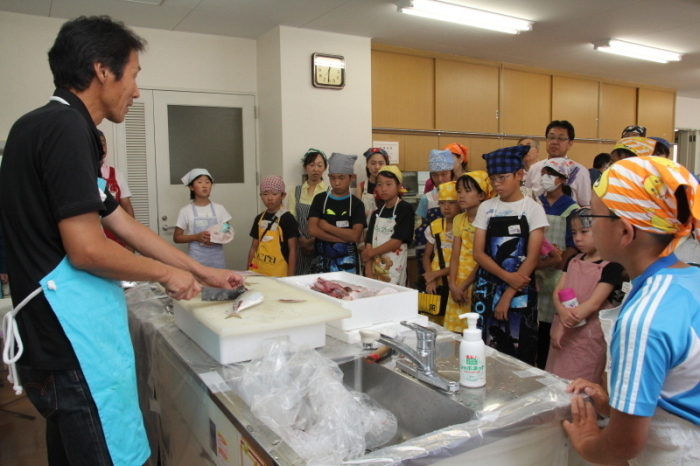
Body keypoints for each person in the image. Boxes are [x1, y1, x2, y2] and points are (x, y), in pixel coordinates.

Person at [0, 16, 243, 465]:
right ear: (102, 70)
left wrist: (200, 270)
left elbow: (122, 224)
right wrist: (167, 274)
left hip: (47, 345)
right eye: (133, 75)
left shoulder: (36, 126)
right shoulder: (66, 130)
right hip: (72, 344)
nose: (135, 90)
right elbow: (88, 248)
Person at [563, 156, 700, 464]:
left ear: (624, 232)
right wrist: (612, 403)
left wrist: (587, 444)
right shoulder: (691, 279)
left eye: (594, 217)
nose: (590, 227)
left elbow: (623, 446)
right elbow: (676, 390)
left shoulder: (644, 319)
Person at [472, 145, 548, 365]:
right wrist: (507, 277)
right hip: (487, 288)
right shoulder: (487, 207)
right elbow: (478, 253)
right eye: (492, 179)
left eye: (502, 178)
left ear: (519, 175)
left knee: (519, 349)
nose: (497, 184)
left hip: (520, 289)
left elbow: (532, 258)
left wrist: (508, 294)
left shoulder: (533, 209)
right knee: (486, 349)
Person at [546, 208, 623, 384]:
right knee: (554, 382)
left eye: (584, 232)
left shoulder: (612, 266)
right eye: (574, 233)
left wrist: (564, 326)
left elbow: (594, 304)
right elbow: (557, 292)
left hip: (587, 337)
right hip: (561, 330)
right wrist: (561, 314)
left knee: (579, 387)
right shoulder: (573, 260)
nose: (578, 238)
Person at [535, 158, 580, 368]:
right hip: (533, 271)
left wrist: (561, 266)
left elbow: (573, 245)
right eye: (543, 173)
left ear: (562, 179)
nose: (545, 178)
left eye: (550, 174)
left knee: (548, 325)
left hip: (556, 274)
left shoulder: (572, 209)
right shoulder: (535, 203)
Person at [445, 172, 493, 333]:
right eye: (459, 191)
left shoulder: (489, 220)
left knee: (474, 331)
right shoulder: (459, 219)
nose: (461, 196)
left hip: (477, 283)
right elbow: (455, 255)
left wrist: (464, 285)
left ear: (481, 195)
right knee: (455, 333)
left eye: (467, 191)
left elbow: (484, 257)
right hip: (457, 283)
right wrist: (452, 284)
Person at [308, 152, 365, 274]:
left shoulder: (356, 204)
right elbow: (312, 230)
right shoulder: (320, 199)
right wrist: (341, 238)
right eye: (332, 178)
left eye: (341, 178)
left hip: (347, 265)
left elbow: (355, 235)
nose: (337, 183)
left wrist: (326, 227)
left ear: (352, 177)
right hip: (321, 265)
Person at [362, 166, 413, 285]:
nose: (383, 188)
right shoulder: (376, 213)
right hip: (375, 269)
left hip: (395, 269)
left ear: (399, 186)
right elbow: (369, 242)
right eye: (379, 184)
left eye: (388, 184)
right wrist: (368, 270)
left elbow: (396, 241)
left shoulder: (405, 209)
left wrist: (370, 254)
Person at [524, 120, 592, 207]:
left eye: (561, 138)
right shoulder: (534, 168)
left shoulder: (579, 171)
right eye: (551, 138)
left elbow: (585, 205)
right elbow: (527, 198)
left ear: (570, 144)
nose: (555, 142)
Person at [174, 168, 231, 269]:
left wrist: (216, 238)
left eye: (207, 182)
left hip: (217, 260)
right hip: (196, 260)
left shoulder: (219, 208)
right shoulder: (186, 211)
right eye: (199, 182)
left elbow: (226, 226)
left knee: (218, 284)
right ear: (191, 187)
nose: (204, 185)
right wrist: (196, 237)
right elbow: (177, 237)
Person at [420, 180, 461, 322]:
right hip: (435, 283)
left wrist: (435, 274)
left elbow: (463, 261)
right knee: (433, 320)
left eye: (451, 202)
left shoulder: (464, 226)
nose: (446, 207)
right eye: (442, 203)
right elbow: (426, 256)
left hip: (457, 282)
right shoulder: (435, 225)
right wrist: (430, 278)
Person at [247, 176, 299, 277]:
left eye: (274, 194)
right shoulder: (259, 218)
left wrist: (291, 276)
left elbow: (293, 250)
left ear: (283, 195)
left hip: (279, 273)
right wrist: (248, 270)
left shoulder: (288, 218)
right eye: (265, 194)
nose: (269, 198)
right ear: (260, 195)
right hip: (258, 271)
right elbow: (253, 247)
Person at [415, 149, 455, 276]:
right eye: (435, 175)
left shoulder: (461, 194)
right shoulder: (426, 198)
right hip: (431, 245)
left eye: (444, 174)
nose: (440, 179)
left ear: (452, 173)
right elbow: (421, 225)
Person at [288, 148, 328, 275]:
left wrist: (313, 241)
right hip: (299, 245)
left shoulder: (330, 191)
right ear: (305, 167)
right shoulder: (296, 191)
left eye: (320, 165)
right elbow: (291, 219)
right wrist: (303, 240)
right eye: (312, 165)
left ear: (325, 168)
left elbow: (330, 221)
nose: (316, 169)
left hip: (323, 244)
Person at [97, 130, 136, 249]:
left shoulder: (116, 174)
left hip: (115, 236)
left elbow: (126, 205)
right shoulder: (79, 173)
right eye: (97, 143)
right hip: (93, 236)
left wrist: (131, 240)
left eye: (104, 143)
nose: (102, 147)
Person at [355, 147, 389, 218]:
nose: (377, 167)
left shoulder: (390, 186)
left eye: (381, 163)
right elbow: (356, 214)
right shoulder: (361, 187)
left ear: (386, 164)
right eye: (373, 163)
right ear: (367, 164)